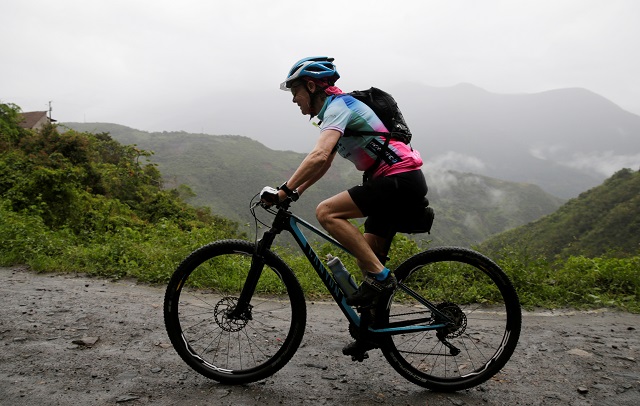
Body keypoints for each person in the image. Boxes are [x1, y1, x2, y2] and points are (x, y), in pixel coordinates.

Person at [266, 56, 428, 344]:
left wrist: (283, 190)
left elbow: (317, 156)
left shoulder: (339, 107)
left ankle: (381, 278)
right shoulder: (335, 110)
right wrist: (296, 191)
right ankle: (373, 330)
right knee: (368, 255)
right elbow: (325, 162)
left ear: (312, 86)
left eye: (296, 93)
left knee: (327, 212)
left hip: (398, 180)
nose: (294, 101)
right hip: (394, 182)